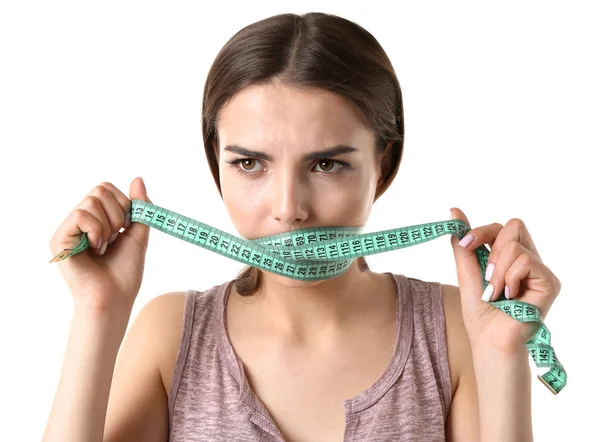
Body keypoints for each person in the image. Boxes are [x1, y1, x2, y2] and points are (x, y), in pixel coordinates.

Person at [43, 12, 562, 442]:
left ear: (383, 163)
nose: (289, 209)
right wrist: (98, 313)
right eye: (250, 164)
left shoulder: (454, 331)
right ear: (215, 165)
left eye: (326, 165)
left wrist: (500, 356)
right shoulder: (171, 337)